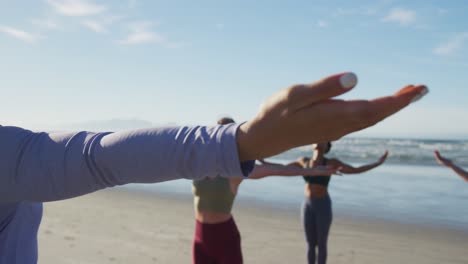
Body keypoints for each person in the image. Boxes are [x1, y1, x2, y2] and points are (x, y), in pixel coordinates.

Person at [0, 72, 428, 263]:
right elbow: (101, 159)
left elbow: (273, 171)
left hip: (222, 231)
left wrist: (247, 146)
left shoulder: (238, 170)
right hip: (205, 232)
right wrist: (243, 141)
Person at [192, 117, 338, 264]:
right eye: (219, 131)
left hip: (225, 238)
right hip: (200, 237)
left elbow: (276, 170)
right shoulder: (199, 164)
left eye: (228, 132)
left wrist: (313, 171)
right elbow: (174, 159)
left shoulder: (236, 170)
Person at [287, 142, 388, 264]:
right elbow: (281, 169)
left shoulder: (331, 163)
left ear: (327, 147)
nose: (319, 140)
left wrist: (377, 163)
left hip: (322, 205)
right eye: (317, 138)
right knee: (310, 243)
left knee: (322, 243)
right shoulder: (303, 161)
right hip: (307, 206)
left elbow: (355, 170)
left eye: (323, 140)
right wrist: (262, 161)